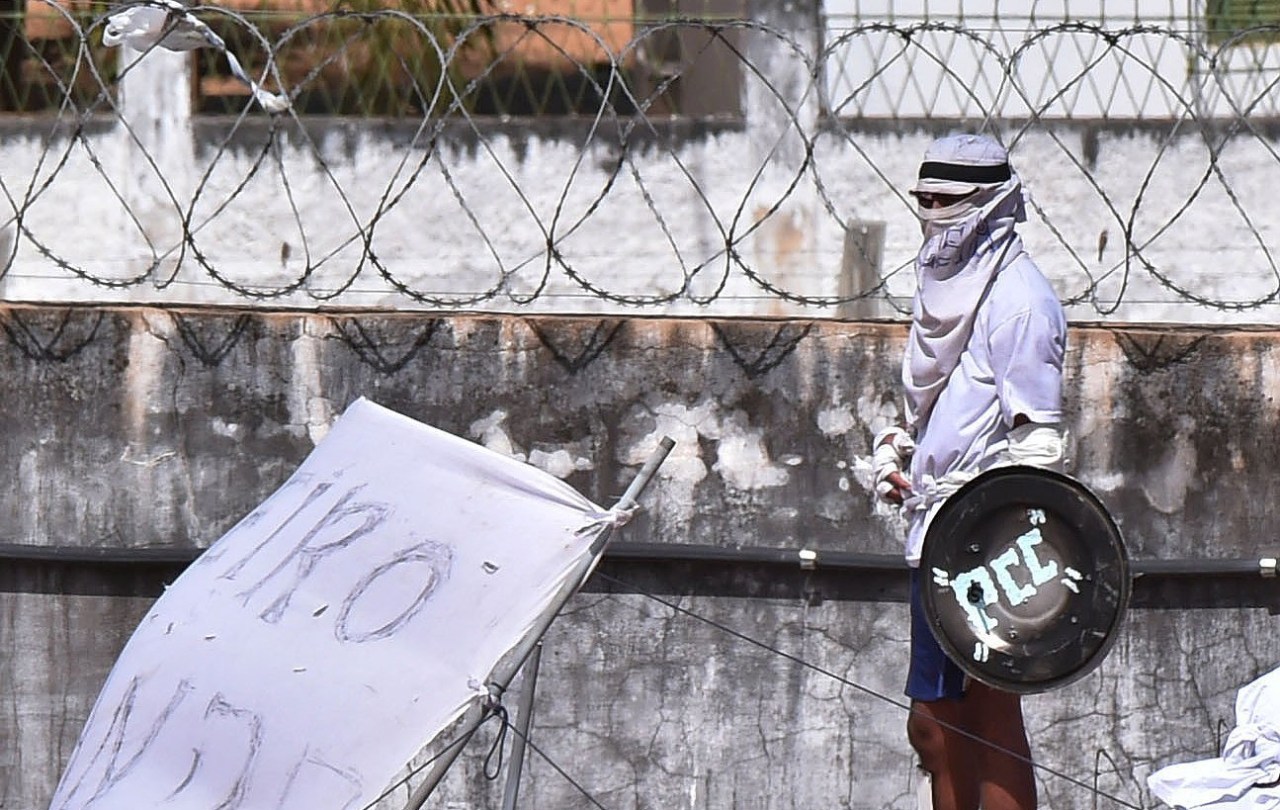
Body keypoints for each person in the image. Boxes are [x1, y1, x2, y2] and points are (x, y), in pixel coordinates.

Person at [871, 133, 1068, 810]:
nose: (932, 215)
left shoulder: (1021, 302)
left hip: (986, 546)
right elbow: (939, 404)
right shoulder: (947, 282)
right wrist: (901, 449)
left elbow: (1038, 444)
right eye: (923, 200)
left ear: (987, 205)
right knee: (937, 725)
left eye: (946, 202)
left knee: (987, 722)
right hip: (935, 531)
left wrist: (970, 504)